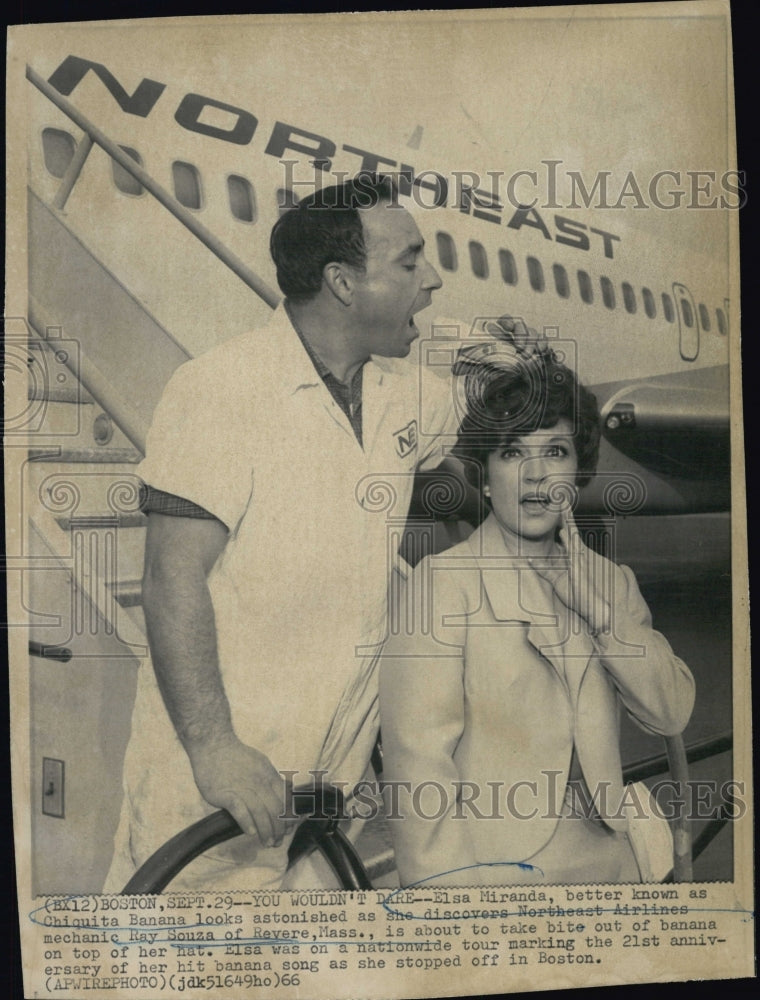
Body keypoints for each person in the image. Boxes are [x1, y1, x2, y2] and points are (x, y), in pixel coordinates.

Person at [104, 174, 467, 891]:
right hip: (226, 786)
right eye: (409, 261)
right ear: (342, 282)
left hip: (334, 788)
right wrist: (215, 749)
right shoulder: (220, 389)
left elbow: (455, 472)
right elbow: (170, 579)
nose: (433, 279)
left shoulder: (405, 392)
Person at [378, 335, 696, 887]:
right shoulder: (441, 586)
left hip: (614, 863)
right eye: (510, 453)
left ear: (578, 469)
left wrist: (601, 620)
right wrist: (453, 921)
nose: (534, 476)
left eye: (554, 451)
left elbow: (670, 714)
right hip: (496, 876)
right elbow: (417, 777)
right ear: (484, 472)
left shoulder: (609, 582)